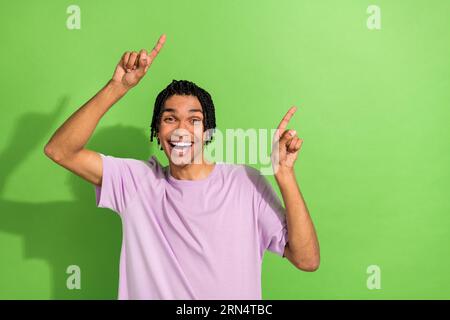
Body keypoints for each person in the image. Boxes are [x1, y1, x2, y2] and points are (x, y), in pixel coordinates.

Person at [44, 34, 320, 300]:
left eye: (194, 120)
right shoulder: (136, 183)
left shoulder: (244, 182)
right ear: (157, 131)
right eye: (170, 119)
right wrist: (118, 87)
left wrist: (285, 175)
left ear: (208, 132)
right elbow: (60, 150)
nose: (181, 130)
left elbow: (306, 259)